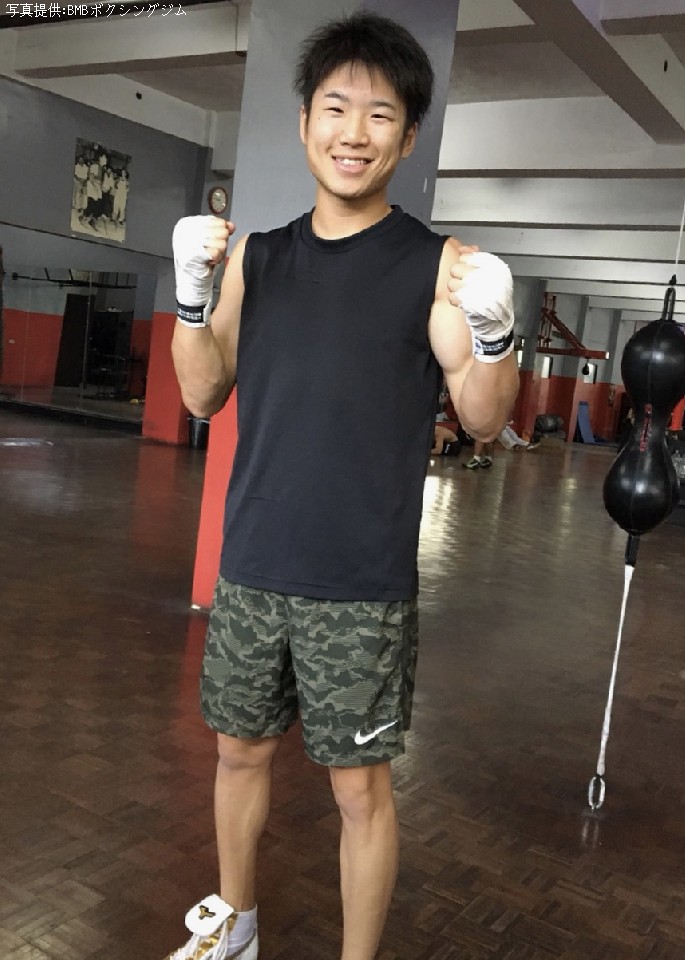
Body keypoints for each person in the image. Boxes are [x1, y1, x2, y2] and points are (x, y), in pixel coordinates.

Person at [168, 12, 518, 960]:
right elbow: (201, 392)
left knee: (358, 788)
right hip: (253, 562)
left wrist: (495, 338)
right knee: (238, 752)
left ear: (407, 136)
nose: (353, 133)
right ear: (305, 122)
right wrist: (192, 303)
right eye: (335, 108)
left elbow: (483, 418)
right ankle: (236, 928)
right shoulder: (257, 258)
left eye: (379, 114)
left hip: (360, 584)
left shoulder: (438, 267)